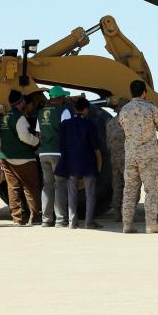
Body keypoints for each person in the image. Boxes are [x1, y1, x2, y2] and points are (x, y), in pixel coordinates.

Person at [118, 80, 158, 233]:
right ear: (144, 92)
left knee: (130, 190)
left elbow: (123, 127)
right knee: (151, 190)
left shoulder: (124, 110)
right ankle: (151, 224)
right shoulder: (151, 108)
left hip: (131, 155)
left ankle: (127, 224)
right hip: (148, 155)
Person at [0, 90, 42, 225]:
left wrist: (0, 156)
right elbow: (24, 136)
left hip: (6, 158)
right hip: (24, 159)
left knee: (13, 188)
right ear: (21, 102)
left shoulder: (2, 118)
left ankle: (17, 218)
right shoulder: (19, 117)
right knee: (31, 187)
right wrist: (37, 141)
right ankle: (35, 217)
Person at [57, 97, 104, 229]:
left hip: (71, 164)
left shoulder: (64, 125)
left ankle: (72, 221)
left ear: (74, 109)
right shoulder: (89, 124)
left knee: (71, 192)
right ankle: (89, 222)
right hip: (88, 163)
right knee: (90, 193)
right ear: (85, 110)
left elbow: (61, 146)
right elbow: (95, 146)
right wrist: (98, 164)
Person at [38, 86, 73, 227]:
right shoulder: (63, 111)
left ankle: (46, 220)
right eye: (63, 96)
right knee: (60, 185)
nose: (64, 99)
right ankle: (60, 219)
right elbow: (68, 132)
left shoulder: (41, 112)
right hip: (57, 152)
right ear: (58, 98)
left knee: (47, 186)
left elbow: (39, 135)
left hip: (43, 153)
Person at [106, 111, 126, 222]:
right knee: (130, 186)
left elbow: (107, 143)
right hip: (126, 158)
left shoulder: (110, 123)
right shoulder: (127, 121)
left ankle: (117, 214)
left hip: (114, 158)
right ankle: (128, 213)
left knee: (117, 186)